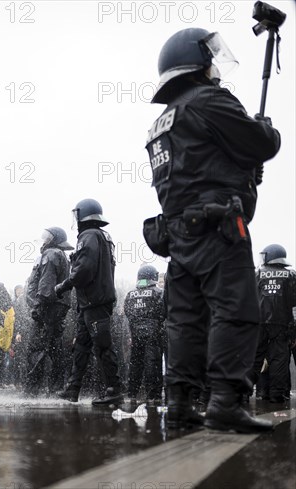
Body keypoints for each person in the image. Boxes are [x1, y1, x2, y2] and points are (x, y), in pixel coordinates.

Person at [144, 28, 281, 432]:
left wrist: (240, 168)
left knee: (185, 320)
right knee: (235, 310)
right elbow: (262, 144)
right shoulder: (208, 100)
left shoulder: (161, 123)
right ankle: (224, 401)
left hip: (180, 233)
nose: (215, 68)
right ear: (197, 62)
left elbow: (197, 167)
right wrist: (265, 129)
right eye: (211, 61)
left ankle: (181, 402)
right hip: (219, 227)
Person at [55, 199, 122, 405]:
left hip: (94, 302)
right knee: (82, 347)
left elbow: (84, 269)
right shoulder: (102, 236)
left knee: (103, 346)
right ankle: (73, 389)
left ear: (83, 215)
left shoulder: (89, 235)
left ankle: (114, 390)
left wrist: (63, 285)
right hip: (91, 303)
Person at [24, 227, 72, 396]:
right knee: (54, 349)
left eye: (46, 237)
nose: (43, 240)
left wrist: (38, 307)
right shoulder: (60, 255)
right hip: (56, 308)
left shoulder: (51, 254)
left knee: (37, 349)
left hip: (47, 309)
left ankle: (31, 391)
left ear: (53, 239)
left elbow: (45, 285)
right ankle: (56, 388)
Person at [248, 244, 296, 403]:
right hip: (281, 325)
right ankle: (277, 394)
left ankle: (242, 393)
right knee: (279, 359)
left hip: (258, 324)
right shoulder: (291, 275)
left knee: (254, 359)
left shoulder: (257, 274)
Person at [124, 265, 165, 403]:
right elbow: (164, 313)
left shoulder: (130, 294)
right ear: (153, 276)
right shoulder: (159, 292)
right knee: (152, 363)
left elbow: (128, 314)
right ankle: (153, 396)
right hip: (154, 334)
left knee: (135, 364)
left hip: (136, 334)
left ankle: (132, 394)